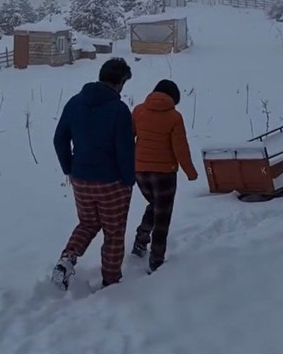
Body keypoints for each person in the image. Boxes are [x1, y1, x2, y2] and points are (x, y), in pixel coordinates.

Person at [51, 57, 136, 290]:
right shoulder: (119, 110)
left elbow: (59, 139)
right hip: (112, 182)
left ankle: (66, 260)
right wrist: (129, 179)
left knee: (87, 223)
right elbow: (125, 150)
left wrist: (69, 168)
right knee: (114, 233)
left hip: (81, 179)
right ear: (119, 82)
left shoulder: (74, 103)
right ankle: (111, 283)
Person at [131, 79, 198, 272]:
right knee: (162, 216)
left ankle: (140, 242)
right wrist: (190, 172)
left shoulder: (138, 111)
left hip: (140, 171)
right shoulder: (174, 117)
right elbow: (181, 148)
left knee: (154, 206)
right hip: (164, 174)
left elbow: (128, 138)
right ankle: (156, 260)